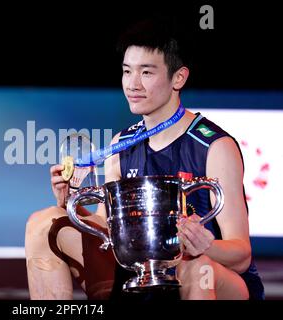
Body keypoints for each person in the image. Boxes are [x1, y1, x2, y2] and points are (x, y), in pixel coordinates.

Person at [25, 18, 264, 300]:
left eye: (146, 73)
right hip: (142, 272)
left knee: (194, 266)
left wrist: (205, 246)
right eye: (127, 72)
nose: (133, 84)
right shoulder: (121, 145)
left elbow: (242, 256)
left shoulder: (214, 146)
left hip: (218, 279)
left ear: (179, 78)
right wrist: (71, 203)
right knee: (43, 223)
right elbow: (110, 233)